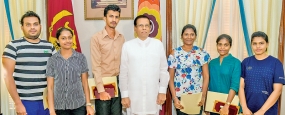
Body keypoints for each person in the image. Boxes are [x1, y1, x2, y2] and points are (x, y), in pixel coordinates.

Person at [2, 11, 56, 115]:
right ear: (22, 27)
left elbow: (55, 74)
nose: (32, 27)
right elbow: (7, 76)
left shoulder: (49, 47)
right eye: (28, 25)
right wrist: (18, 103)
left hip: (47, 101)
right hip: (25, 102)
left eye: (35, 24)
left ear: (40, 26)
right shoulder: (13, 46)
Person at [119, 15, 170, 115]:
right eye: (141, 25)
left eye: (147, 25)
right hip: (133, 97)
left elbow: (163, 70)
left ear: (150, 28)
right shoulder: (127, 46)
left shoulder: (158, 44)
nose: (144, 28)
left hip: (153, 96)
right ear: (135, 28)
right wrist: (124, 95)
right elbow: (123, 73)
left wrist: (162, 91)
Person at [46, 27, 95, 115]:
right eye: (63, 38)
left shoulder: (81, 58)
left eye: (69, 37)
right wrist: (52, 110)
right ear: (57, 40)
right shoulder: (52, 60)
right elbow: (50, 87)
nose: (67, 41)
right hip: (60, 106)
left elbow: (85, 83)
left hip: (78, 105)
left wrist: (88, 104)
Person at [168, 24, 210, 115]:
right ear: (181, 36)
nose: (189, 37)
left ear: (195, 36)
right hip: (180, 96)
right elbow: (170, 78)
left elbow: (206, 76)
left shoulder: (202, 53)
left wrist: (203, 96)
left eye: (192, 34)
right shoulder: (175, 53)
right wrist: (174, 98)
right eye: (186, 34)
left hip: (197, 96)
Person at [238, 31, 285, 115]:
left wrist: (262, 111)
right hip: (247, 111)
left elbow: (278, 90)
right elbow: (241, 87)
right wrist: (244, 108)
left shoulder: (276, 63)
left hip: (268, 111)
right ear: (251, 45)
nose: (258, 46)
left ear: (267, 44)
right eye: (254, 43)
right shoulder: (246, 62)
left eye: (261, 43)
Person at [90, 4, 125, 115]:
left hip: (119, 82)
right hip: (103, 82)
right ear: (104, 18)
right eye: (111, 16)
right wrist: (101, 90)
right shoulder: (96, 38)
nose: (114, 19)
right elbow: (96, 66)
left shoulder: (121, 37)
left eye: (116, 17)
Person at [208, 34, 241, 115]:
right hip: (213, 103)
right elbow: (208, 84)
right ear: (216, 45)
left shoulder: (236, 63)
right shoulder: (212, 63)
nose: (222, 47)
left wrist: (227, 105)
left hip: (230, 104)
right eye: (220, 44)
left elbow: (235, 85)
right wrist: (206, 104)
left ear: (230, 46)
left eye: (226, 45)